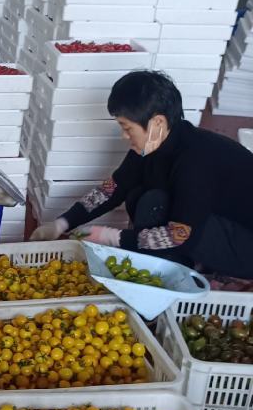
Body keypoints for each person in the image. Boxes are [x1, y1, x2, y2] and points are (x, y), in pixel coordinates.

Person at [29, 70, 253, 280]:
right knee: (138, 195)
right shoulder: (153, 145)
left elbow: (179, 235)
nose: (124, 136)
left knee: (154, 204)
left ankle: (183, 272)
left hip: (245, 245)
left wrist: (113, 238)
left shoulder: (196, 160)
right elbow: (112, 190)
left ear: (157, 123)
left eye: (127, 128)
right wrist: (61, 223)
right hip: (213, 227)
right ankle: (187, 263)